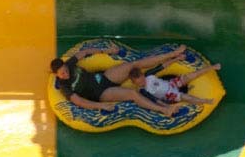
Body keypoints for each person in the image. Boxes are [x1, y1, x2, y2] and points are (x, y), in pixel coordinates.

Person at [50, 43, 188, 116]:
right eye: (62, 74)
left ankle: (173, 54)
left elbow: (84, 52)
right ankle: (164, 110)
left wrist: (107, 50)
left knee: (132, 65)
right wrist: (101, 106)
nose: (66, 74)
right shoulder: (64, 87)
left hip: (103, 77)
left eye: (66, 70)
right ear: (56, 74)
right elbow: (79, 101)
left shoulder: (68, 64)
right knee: (133, 94)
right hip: (101, 93)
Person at [129, 58, 222, 105]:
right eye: (139, 83)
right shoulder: (143, 90)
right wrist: (166, 106)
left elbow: (162, 67)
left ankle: (212, 67)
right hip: (169, 95)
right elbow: (155, 100)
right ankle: (206, 101)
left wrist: (176, 59)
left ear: (142, 75)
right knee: (185, 97)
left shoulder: (148, 74)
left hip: (170, 83)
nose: (142, 83)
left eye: (142, 80)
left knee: (188, 76)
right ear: (134, 83)